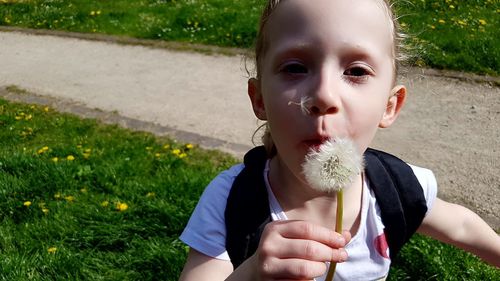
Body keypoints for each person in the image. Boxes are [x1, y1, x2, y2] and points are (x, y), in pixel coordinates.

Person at [178, 0, 500, 280]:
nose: (323, 95)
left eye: (357, 71)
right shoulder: (231, 201)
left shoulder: (397, 188)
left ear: (390, 107)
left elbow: (461, 226)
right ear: (259, 98)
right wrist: (250, 275)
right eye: (295, 67)